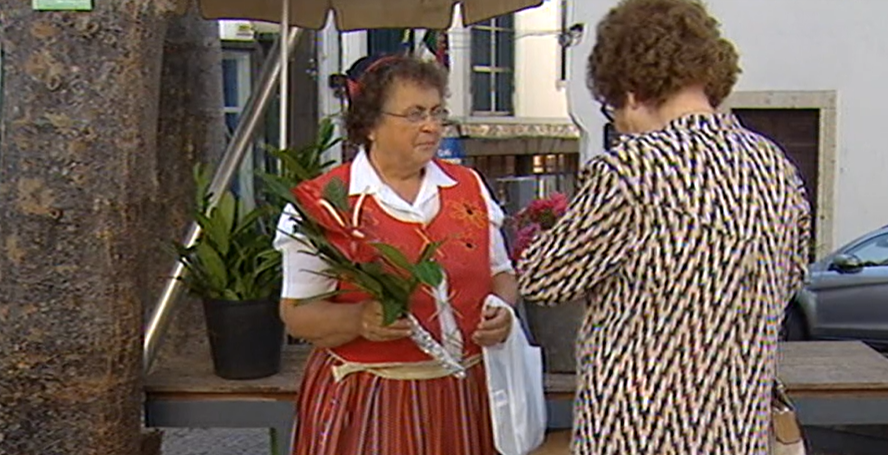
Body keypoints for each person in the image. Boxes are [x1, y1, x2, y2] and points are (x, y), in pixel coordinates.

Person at [517, 0, 811, 454]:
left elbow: (541, 278)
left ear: (631, 89)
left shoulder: (632, 169)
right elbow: (791, 278)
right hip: (738, 431)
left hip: (639, 433)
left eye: (610, 108)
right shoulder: (775, 167)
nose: (618, 124)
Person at [274, 54, 519, 455]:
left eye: (437, 112)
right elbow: (297, 312)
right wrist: (357, 319)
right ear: (370, 124)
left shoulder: (468, 185)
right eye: (414, 114)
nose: (431, 126)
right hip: (368, 400)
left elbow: (501, 275)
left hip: (465, 398)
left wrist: (502, 311)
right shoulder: (322, 203)